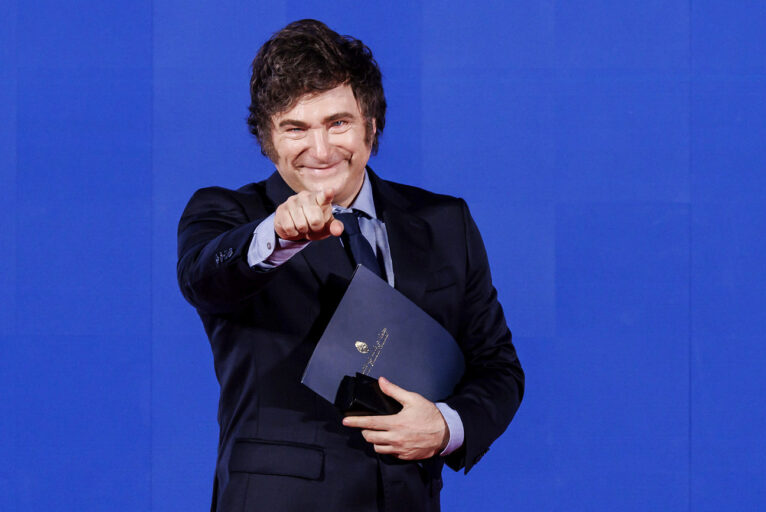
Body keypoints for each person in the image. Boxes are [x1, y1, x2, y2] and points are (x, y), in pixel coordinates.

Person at [177, 19, 524, 512]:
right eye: (296, 128)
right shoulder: (230, 215)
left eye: (337, 123)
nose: (320, 151)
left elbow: (498, 368)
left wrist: (447, 427)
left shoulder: (446, 222)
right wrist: (277, 235)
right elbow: (204, 279)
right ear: (268, 139)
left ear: (371, 124)